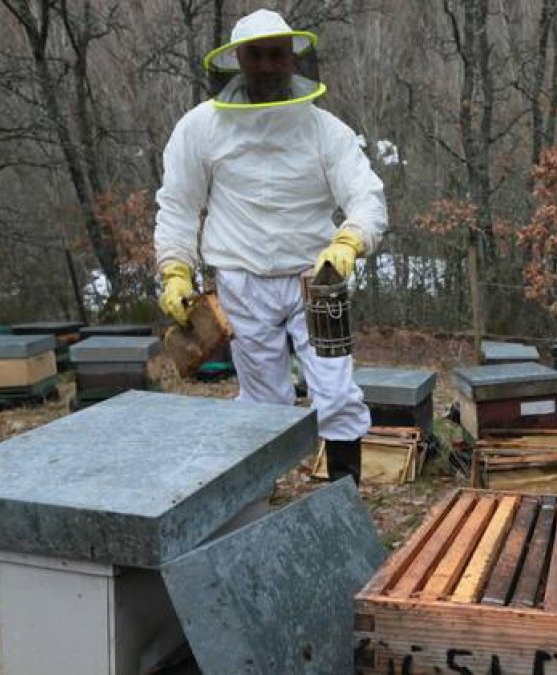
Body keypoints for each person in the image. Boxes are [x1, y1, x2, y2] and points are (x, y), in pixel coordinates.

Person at [153, 9, 386, 484]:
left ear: (293, 59)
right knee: (263, 403)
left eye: (276, 55)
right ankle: (263, 499)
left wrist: (349, 241)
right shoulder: (200, 128)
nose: (265, 66)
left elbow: (367, 195)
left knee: (337, 394)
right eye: (255, 56)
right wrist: (175, 269)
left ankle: (344, 499)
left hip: (318, 280)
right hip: (241, 281)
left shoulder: (327, 130)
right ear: (238, 59)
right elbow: (178, 205)